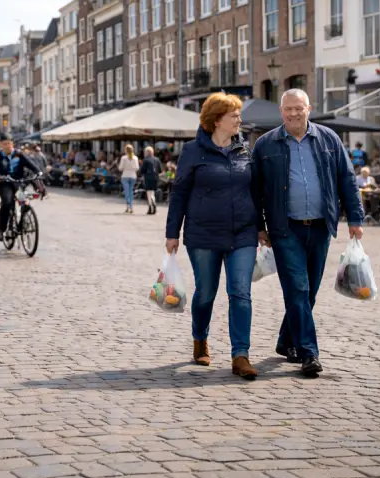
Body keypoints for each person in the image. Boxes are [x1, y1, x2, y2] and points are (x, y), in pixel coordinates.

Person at [251, 89, 364, 378]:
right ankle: (308, 353)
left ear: (309, 108)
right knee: (297, 288)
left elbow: (347, 179)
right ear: (281, 111)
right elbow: (255, 190)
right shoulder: (266, 144)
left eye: (298, 108)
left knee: (309, 291)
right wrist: (260, 226)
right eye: (288, 109)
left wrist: (355, 216)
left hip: (320, 226)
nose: (293, 114)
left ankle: (285, 340)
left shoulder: (329, 139)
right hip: (285, 228)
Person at [165, 93, 259, 380]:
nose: (239, 121)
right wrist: (172, 233)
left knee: (240, 292)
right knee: (205, 292)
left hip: (242, 233)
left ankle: (240, 355)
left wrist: (263, 226)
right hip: (202, 234)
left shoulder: (244, 150)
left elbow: (256, 192)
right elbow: (179, 192)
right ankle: (200, 339)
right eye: (234, 116)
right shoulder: (193, 151)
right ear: (217, 120)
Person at [0, 133, 42, 242]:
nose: (7, 146)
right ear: (1, 145)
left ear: (12, 144)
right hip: (4, 183)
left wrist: (38, 171)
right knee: (7, 202)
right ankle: (1, 229)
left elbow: (30, 163)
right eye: (5, 144)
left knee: (23, 201)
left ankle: (23, 221)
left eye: (9, 143)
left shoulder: (19, 155)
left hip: (18, 182)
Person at [138, 146, 162, 215]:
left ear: (147, 152)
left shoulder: (146, 160)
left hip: (148, 178)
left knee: (149, 193)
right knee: (153, 192)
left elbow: (142, 170)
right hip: (155, 178)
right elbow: (160, 170)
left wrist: (140, 174)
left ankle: (151, 206)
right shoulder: (157, 160)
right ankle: (152, 206)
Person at [118, 145, 140, 214]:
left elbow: (120, 168)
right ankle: (130, 206)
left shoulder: (124, 158)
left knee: (127, 191)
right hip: (133, 176)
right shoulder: (135, 158)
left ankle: (129, 206)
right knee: (130, 191)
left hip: (125, 175)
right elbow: (137, 168)